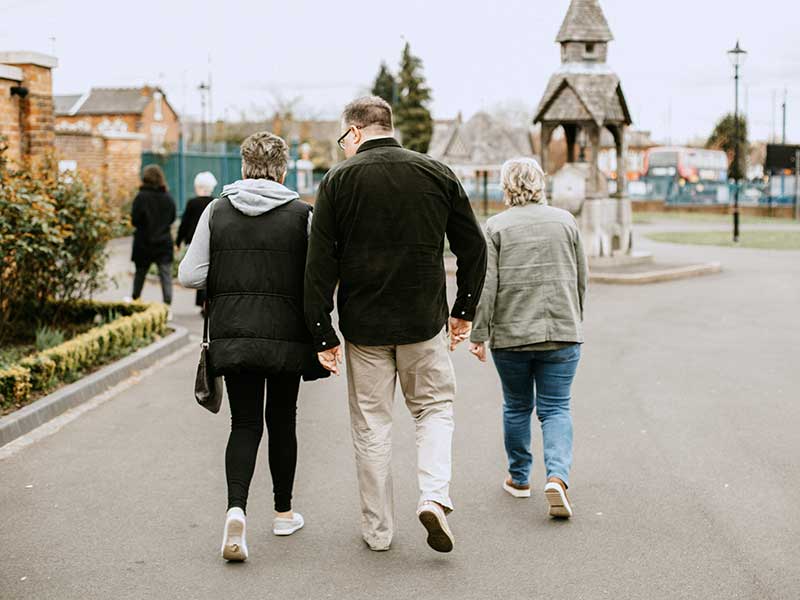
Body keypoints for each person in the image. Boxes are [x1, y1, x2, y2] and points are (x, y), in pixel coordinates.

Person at [304, 96, 487, 553]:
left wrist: (322, 332)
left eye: (343, 138)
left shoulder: (337, 181)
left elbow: (319, 264)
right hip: (424, 322)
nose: (343, 146)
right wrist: (463, 309)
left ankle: (378, 530)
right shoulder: (436, 173)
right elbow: (474, 247)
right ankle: (433, 496)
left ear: (356, 131)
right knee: (434, 410)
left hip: (365, 327)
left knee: (372, 426)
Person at [179, 132, 327, 562]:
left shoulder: (216, 211)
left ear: (244, 167)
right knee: (283, 420)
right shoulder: (303, 215)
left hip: (234, 332)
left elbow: (190, 275)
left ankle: (236, 511)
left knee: (244, 424)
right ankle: (283, 513)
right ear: (282, 170)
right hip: (287, 336)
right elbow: (318, 276)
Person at [468, 157, 587, 519]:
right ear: (540, 183)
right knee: (556, 408)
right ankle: (557, 477)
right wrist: (575, 318)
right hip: (562, 332)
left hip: (512, 335)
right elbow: (581, 276)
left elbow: (488, 286)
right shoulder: (566, 221)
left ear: (506, 186)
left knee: (517, 406)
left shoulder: (496, 227)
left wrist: (479, 333)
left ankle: (519, 479)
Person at [130, 165, 176, 311]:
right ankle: (167, 306)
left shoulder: (140, 197)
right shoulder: (167, 198)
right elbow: (172, 218)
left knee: (140, 275)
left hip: (144, 243)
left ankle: (135, 301)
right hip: (163, 243)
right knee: (165, 276)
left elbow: (134, 220)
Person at [176, 171, 218, 314]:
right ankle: (208, 301)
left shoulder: (192, 203)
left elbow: (184, 224)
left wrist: (178, 241)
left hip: (193, 241)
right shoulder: (215, 203)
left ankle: (202, 303)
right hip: (212, 241)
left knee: (198, 270)